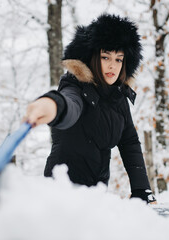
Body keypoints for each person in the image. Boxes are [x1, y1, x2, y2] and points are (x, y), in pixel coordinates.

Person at [24, 14, 156, 204]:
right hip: (61, 192)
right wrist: (52, 104)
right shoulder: (76, 86)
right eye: (105, 57)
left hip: (96, 193)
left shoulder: (118, 97)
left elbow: (129, 142)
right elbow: (69, 105)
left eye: (119, 59)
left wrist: (141, 188)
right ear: (93, 57)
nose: (113, 65)